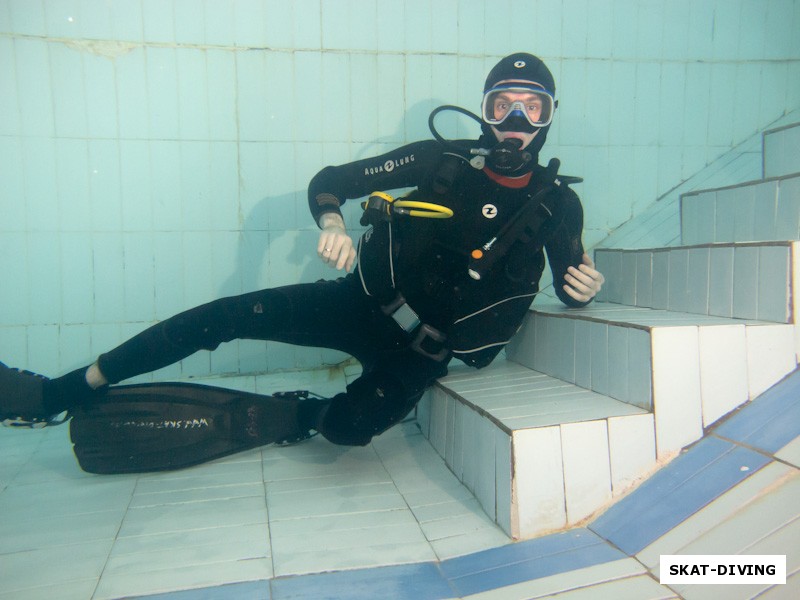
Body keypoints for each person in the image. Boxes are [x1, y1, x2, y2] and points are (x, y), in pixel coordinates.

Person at [1, 52, 603, 448]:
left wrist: (585, 288)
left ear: (549, 117)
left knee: (350, 430)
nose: (516, 121)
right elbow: (332, 179)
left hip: (421, 355)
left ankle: (300, 415)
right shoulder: (437, 160)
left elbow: (572, 279)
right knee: (222, 316)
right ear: (485, 111)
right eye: (502, 105)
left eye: (532, 107)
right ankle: (61, 391)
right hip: (358, 301)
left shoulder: (558, 207)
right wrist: (332, 222)